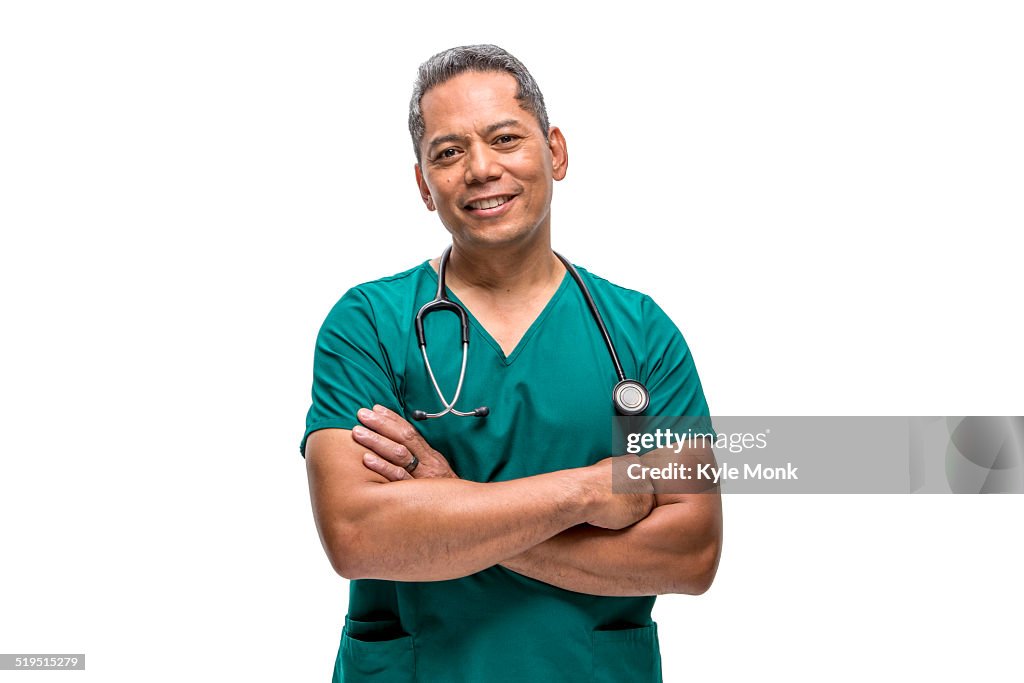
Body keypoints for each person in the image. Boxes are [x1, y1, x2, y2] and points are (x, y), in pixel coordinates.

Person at [301, 44, 722, 683]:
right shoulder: (369, 325)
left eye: (505, 138)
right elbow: (358, 535)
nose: (480, 169)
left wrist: (451, 509)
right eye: (448, 152)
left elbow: (692, 552)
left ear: (555, 152)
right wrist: (589, 490)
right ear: (423, 183)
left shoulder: (639, 333)